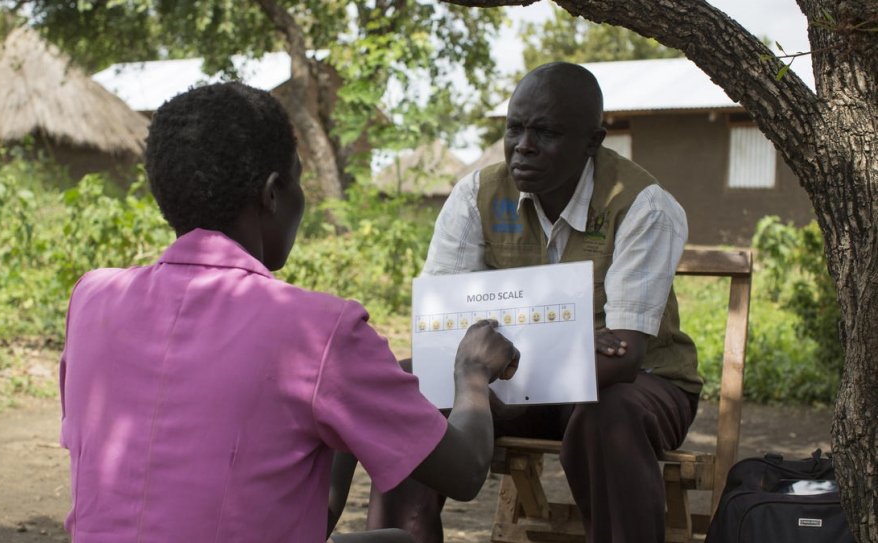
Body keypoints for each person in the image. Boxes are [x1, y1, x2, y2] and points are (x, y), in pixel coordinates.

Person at [58, 81, 519, 543]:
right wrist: (472, 374)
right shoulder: (317, 331)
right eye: (300, 180)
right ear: (274, 193)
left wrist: (340, 429)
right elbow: (465, 472)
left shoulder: (92, 300)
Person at [367, 62, 701, 543]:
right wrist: (568, 349)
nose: (523, 144)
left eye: (544, 132)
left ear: (592, 141)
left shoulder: (641, 204)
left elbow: (624, 357)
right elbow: (446, 332)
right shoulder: (477, 195)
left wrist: (493, 379)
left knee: (609, 414)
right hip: (510, 384)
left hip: (635, 388)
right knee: (410, 391)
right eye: (514, 128)